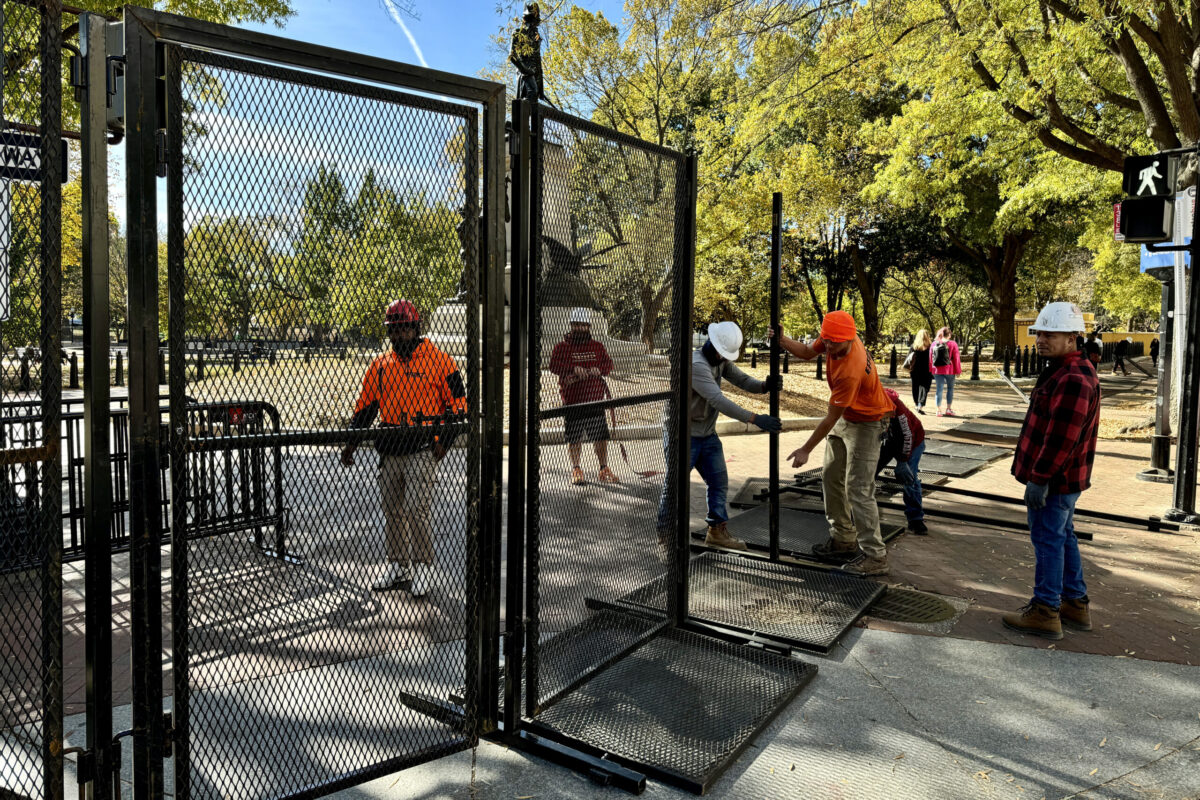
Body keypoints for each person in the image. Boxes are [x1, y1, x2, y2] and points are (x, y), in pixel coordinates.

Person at [341, 299, 467, 596]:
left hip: (423, 444)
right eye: (394, 331)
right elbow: (365, 408)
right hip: (391, 445)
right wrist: (351, 443)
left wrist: (444, 442)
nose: (398, 336)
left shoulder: (441, 361)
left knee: (416, 508)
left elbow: (459, 406)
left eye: (403, 330)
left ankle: (423, 567)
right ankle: (399, 566)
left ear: (415, 328)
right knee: (392, 510)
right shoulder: (380, 365)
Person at [1002, 302, 1100, 640]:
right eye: (1039, 333)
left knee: (1048, 540)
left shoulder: (1072, 377)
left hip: (1054, 481)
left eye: (1050, 334)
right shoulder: (1067, 370)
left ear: (1072, 337)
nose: (1041, 339)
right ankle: (1074, 603)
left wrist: (1039, 479)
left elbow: (1061, 438)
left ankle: (1045, 610)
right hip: (1062, 479)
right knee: (1062, 536)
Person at [774, 311, 896, 576]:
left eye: (833, 343)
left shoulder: (850, 371)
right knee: (830, 477)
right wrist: (782, 340)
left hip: (869, 422)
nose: (828, 347)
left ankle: (876, 557)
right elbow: (807, 351)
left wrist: (806, 449)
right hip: (848, 416)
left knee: (858, 489)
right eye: (826, 340)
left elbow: (831, 417)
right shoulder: (835, 334)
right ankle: (843, 539)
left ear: (849, 339)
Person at [656, 320, 781, 551]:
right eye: (723, 354)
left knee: (719, 482)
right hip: (682, 436)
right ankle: (665, 535)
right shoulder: (697, 365)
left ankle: (716, 531)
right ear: (713, 346)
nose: (725, 358)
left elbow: (742, 380)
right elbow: (718, 400)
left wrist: (764, 386)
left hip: (707, 434)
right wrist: (754, 418)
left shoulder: (719, 361)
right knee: (674, 486)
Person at [548, 307, 618, 486]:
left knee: (601, 437)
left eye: (583, 325)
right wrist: (572, 369)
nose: (579, 328)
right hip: (573, 401)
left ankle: (603, 467)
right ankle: (576, 468)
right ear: (571, 326)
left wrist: (599, 369)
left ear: (589, 326)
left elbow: (608, 365)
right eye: (576, 325)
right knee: (574, 438)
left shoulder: (597, 346)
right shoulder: (562, 347)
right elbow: (553, 366)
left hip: (595, 400)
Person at [878, 387, 927, 535]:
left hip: (913, 442)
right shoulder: (873, 400)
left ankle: (916, 518)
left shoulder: (899, 411)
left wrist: (902, 461)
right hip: (890, 441)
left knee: (909, 478)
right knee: (870, 469)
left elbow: (907, 436)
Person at [930, 326, 962, 417]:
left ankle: (938, 410)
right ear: (949, 335)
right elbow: (956, 359)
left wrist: (931, 369)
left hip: (937, 370)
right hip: (950, 370)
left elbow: (930, 358)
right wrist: (958, 370)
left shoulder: (934, 344)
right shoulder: (953, 344)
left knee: (939, 390)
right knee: (950, 389)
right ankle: (948, 409)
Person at [905, 329, 934, 414]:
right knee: (925, 388)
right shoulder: (930, 347)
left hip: (915, 370)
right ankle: (920, 404)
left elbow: (908, 358)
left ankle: (917, 403)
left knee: (915, 387)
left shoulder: (914, 346)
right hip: (927, 371)